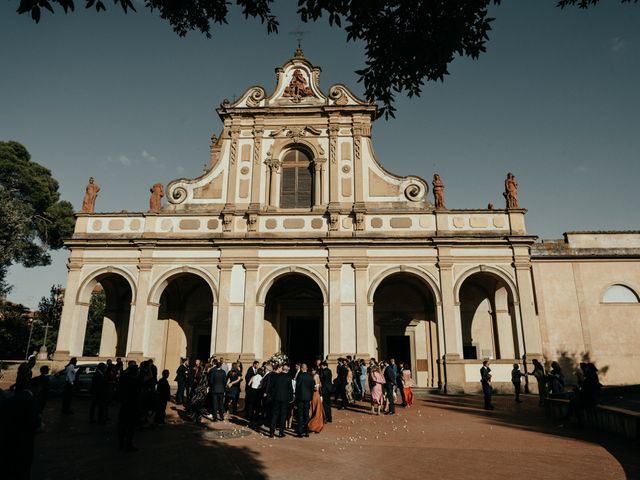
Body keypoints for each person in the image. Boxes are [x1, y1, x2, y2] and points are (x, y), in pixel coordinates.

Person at [118, 361, 141, 451]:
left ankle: (121, 443)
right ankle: (128, 444)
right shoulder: (135, 381)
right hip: (132, 407)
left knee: (123, 425)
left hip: (124, 405)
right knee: (131, 427)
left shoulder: (124, 378)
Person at [268, 364, 294, 438]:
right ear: (287, 370)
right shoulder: (289, 377)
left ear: (282, 369)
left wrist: (273, 396)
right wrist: (290, 398)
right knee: (283, 416)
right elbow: (290, 389)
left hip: (276, 398)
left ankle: (271, 432)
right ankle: (281, 432)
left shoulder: (275, 376)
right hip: (284, 399)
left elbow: (271, 387)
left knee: (275, 415)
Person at [294, 363, 315, 437]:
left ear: (302, 368)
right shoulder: (310, 376)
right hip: (308, 398)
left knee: (300, 415)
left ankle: (300, 432)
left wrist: (296, 396)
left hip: (300, 398)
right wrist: (311, 397)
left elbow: (297, 387)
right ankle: (306, 432)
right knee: (306, 415)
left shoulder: (300, 376)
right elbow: (312, 388)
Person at [29, 365, 50, 431]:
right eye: (47, 369)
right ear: (45, 371)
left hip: (37, 396)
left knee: (38, 411)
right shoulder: (46, 379)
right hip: (43, 397)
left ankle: (37, 423)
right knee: (40, 411)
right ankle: (38, 424)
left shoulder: (37, 378)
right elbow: (47, 388)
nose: (48, 370)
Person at [308, 366, 326, 433]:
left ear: (315, 371)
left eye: (313, 370)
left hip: (315, 394)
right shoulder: (317, 376)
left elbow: (316, 388)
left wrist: (310, 387)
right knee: (316, 410)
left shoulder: (315, 376)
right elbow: (320, 385)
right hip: (317, 395)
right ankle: (316, 425)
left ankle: (314, 426)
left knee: (315, 410)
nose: (312, 371)